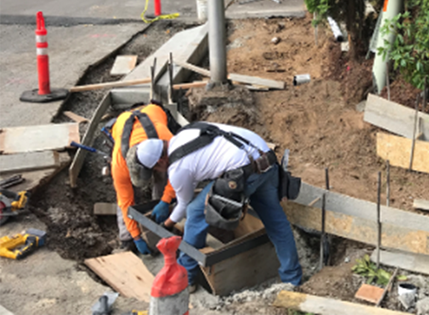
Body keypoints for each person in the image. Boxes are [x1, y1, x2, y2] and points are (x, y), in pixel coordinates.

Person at [128, 122, 303, 288]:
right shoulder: (185, 134)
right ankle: (293, 278)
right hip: (265, 157)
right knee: (277, 223)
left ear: (159, 162)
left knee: (195, 212)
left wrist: (166, 225)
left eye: (155, 170)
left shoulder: (177, 169)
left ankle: (186, 277)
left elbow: (183, 204)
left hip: (242, 171)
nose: (158, 172)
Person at [110, 103, 178, 255]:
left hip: (153, 112)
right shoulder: (119, 163)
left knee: (164, 175)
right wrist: (135, 236)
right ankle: (127, 239)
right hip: (123, 121)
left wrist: (166, 200)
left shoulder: (168, 142)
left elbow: (179, 174)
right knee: (125, 195)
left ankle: (163, 221)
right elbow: (125, 200)